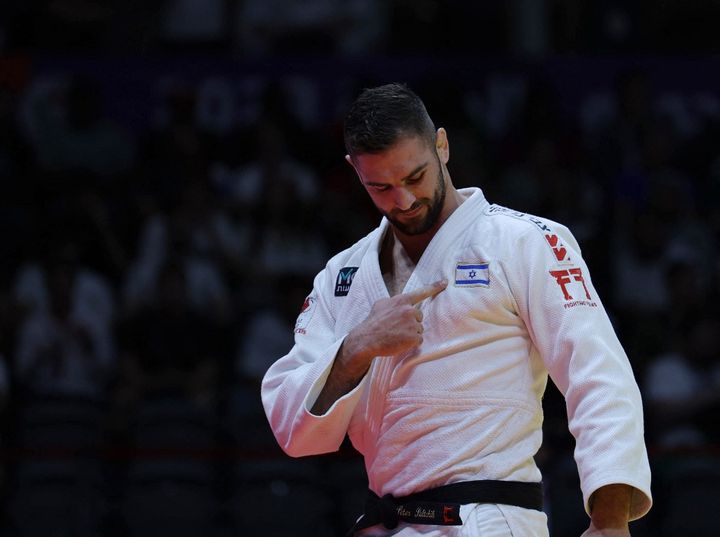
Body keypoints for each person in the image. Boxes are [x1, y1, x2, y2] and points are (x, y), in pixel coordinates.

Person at [261, 83, 652, 536]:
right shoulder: (341, 275)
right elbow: (293, 430)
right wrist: (357, 348)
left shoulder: (524, 241)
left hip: (486, 520)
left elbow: (599, 375)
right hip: (386, 522)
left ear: (441, 146)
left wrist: (609, 519)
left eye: (414, 178)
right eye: (380, 187)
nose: (403, 201)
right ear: (355, 171)